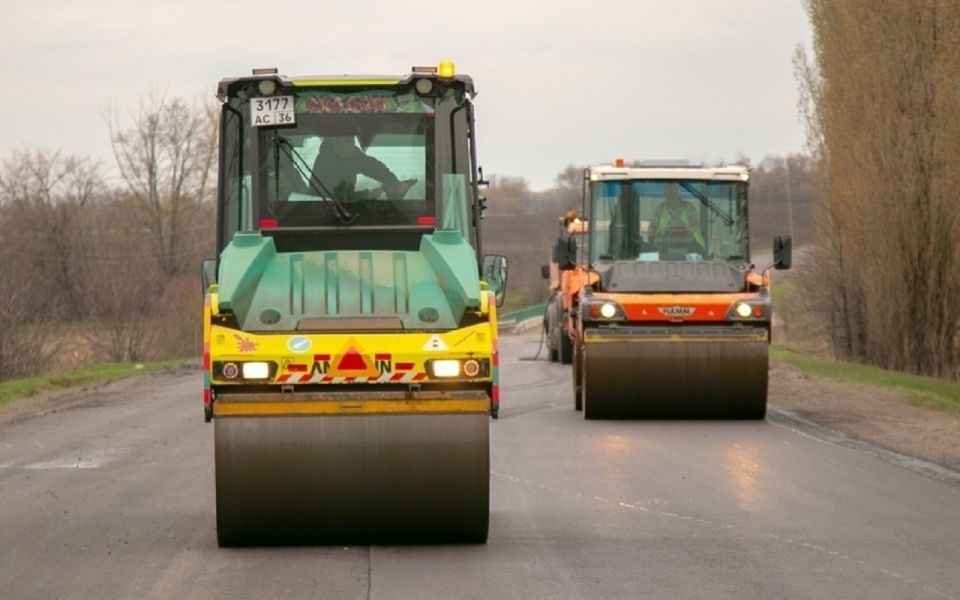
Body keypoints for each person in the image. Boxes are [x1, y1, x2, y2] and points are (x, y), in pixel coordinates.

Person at [311, 135, 414, 201]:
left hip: (347, 212)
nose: (350, 144)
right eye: (344, 140)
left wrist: (394, 182)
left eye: (351, 140)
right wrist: (366, 196)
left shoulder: (353, 155)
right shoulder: (325, 161)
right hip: (326, 213)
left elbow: (373, 167)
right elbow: (334, 196)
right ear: (332, 141)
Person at [649, 184, 705, 252]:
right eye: (668, 194)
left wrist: (683, 233)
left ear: (679, 194)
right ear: (665, 195)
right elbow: (652, 226)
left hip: (690, 243)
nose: (671, 196)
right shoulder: (660, 208)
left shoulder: (688, 207)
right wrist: (653, 232)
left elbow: (695, 223)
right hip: (664, 244)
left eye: (673, 193)